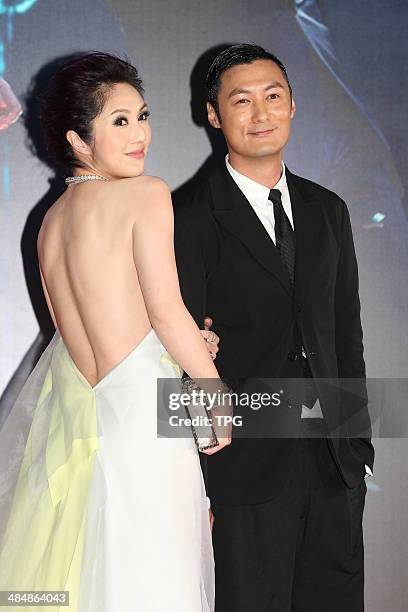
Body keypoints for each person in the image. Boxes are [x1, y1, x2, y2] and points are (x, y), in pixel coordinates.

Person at [0, 52, 230, 612]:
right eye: (119, 121)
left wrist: (174, 351)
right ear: (79, 140)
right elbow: (165, 311)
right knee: (155, 582)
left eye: (142, 115)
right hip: (144, 426)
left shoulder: (49, 222)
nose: (140, 134)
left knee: (93, 578)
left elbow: (82, 336)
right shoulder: (144, 193)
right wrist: (212, 391)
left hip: (85, 425)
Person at [173, 44, 375, 612]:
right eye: (242, 101)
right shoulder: (186, 216)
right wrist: (204, 475)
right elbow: (179, 351)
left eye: (273, 97)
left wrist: (355, 450)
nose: (261, 114)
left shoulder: (327, 209)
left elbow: (346, 336)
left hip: (334, 464)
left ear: (292, 105)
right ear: (214, 115)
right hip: (246, 467)